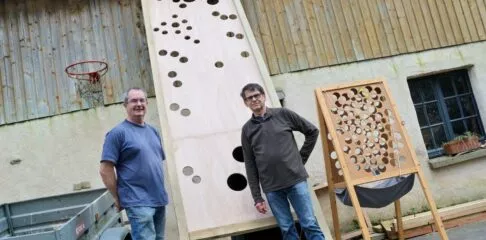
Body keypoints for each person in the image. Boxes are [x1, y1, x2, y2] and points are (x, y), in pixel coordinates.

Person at [240, 83, 325, 240]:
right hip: (272, 188)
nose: (254, 99)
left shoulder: (283, 114)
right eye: (249, 98)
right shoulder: (247, 130)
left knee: (309, 224)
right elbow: (250, 164)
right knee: (287, 229)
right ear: (245, 103)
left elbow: (312, 131)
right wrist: (257, 197)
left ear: (263, 96)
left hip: (295, 181)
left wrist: (300, 160)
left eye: (256, 95)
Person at [99, 87, 168, 240]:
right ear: (125, 105)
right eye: (134, 101)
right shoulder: (118, 133)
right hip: (137, 201)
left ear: (147, 103)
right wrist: (117, 197)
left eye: (142, 100)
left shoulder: (153, 131)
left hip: (158, 199)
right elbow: (105, 169)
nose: (139, 104)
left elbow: (154, 164)